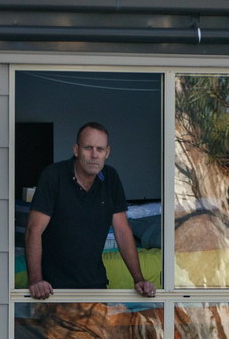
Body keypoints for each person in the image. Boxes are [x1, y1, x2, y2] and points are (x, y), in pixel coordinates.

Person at [24, 121, 156, 299]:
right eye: (88, 148)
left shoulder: (111, 178)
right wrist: (36, 280)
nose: (94, 155)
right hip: (51, 290)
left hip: (95, 287)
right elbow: (34, 230)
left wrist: (138, 279)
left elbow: (123, 231)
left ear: (107, 152)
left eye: (100, 149)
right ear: (76, 150)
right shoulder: (53, 176)